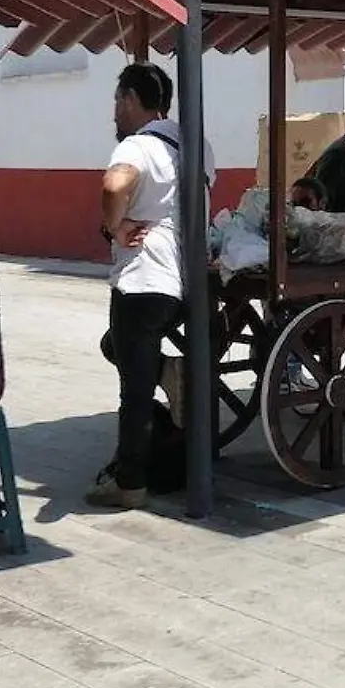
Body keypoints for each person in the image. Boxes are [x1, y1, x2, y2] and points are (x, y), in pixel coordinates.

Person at [92, 63, 214, 510]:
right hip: (187, 278)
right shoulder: (194, 142)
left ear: (129, 99)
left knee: (134, 390)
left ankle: (130, 483)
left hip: (143, 278)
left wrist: (115, 224)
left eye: (116, 102)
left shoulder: (139, 146)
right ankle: (168, 371)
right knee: (120, 349)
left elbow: (113, 184)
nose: (114, 114)